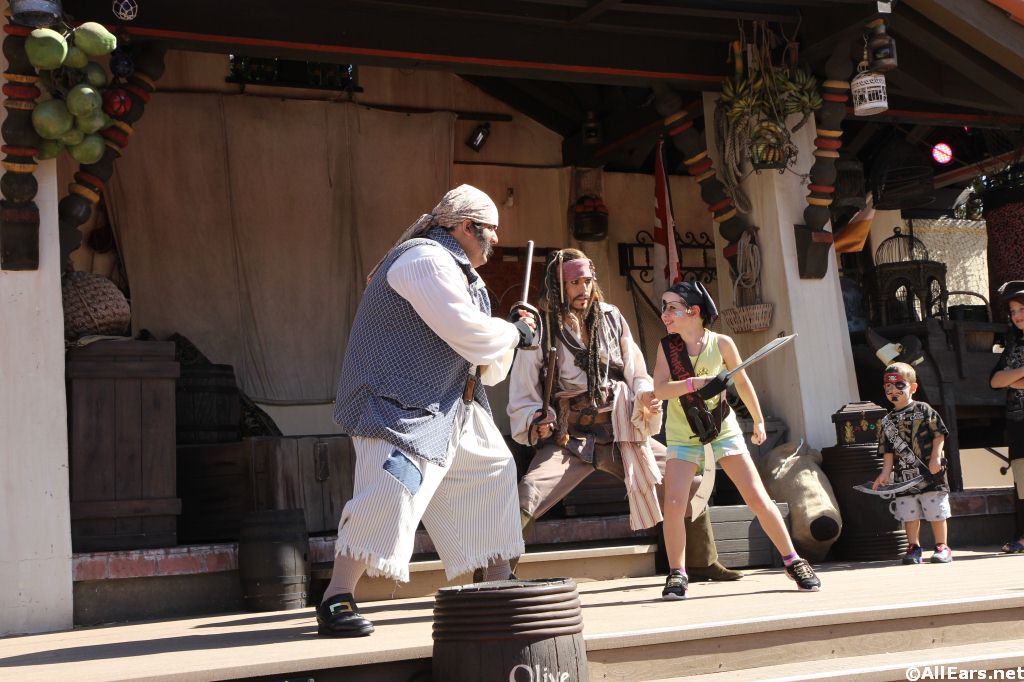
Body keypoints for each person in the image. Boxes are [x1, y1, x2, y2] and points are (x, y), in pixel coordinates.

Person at [317, 185, 537, 637]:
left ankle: (498, 584)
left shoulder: (465, 277)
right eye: (490, 231)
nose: (495, 241)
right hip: (394, 405)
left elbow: (487, 367)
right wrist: (511, 333)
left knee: (493, 471)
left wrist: (513, 332)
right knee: (391, 490)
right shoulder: (424, 260)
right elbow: (466, 331)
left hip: (450, 403)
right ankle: (335, 597)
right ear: (464, 227)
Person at [507, 249, 740, 582]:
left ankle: (701, 562)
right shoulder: (540, 327)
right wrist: (535, 419)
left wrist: (645, 394)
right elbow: (523, 388)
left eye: (587, 281)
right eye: (574, 282)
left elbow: (635, 369)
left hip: (621, 433)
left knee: (690, 483)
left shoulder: (612, 317)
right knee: (528, 493)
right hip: (570, 439)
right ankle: (496, 571)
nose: (583, 289)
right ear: (559, 286)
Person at [653, 281, 821, 597]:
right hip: (683, 434)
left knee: (757, 497)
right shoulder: (667, 348)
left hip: (722, 430)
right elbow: (660, 389)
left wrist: (757, 420)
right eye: (664, 306)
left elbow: (742, 383)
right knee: (674, 504)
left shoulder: (722, 343)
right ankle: (677, 573)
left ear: (694, 311)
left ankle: (793, 560)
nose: (665, 313)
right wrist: (693, 384)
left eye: (672, 306)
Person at [872, 362, 952, 564]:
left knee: (935, 509)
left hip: (929, 471)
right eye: (888, 387)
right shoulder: (887, 421)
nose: (893, 391)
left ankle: (942, 546)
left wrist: (936, 457)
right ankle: (913, 546)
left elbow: (939, 434)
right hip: (903, 476)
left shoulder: (924, 409)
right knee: (909, 512)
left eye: (899, 385)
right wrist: (885, 474)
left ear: (913, 387)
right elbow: (888, 452)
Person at [989, 280, 1024, 555]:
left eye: (1021, 309)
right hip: (1018, 421)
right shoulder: (1013, 344)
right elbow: (996, 381)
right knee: (1023, 483)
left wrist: (1015, 379)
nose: (1017, 316)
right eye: (1013, 311)